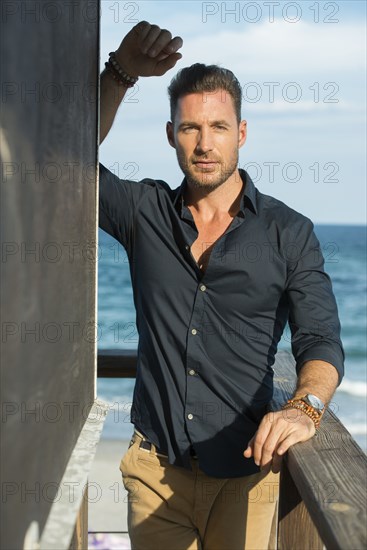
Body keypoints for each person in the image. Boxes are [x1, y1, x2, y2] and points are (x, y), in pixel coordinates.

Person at [99, 22, 344, 550]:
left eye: (218, 126)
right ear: (170, 135)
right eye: (189, 128)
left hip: (247, 478)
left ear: (242, 132)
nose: (204, 144)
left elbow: (320, 339)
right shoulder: (144, 212)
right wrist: (119, 74)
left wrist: (305, 409)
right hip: (153, 474)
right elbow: (63, 160)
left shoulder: (288, 232)